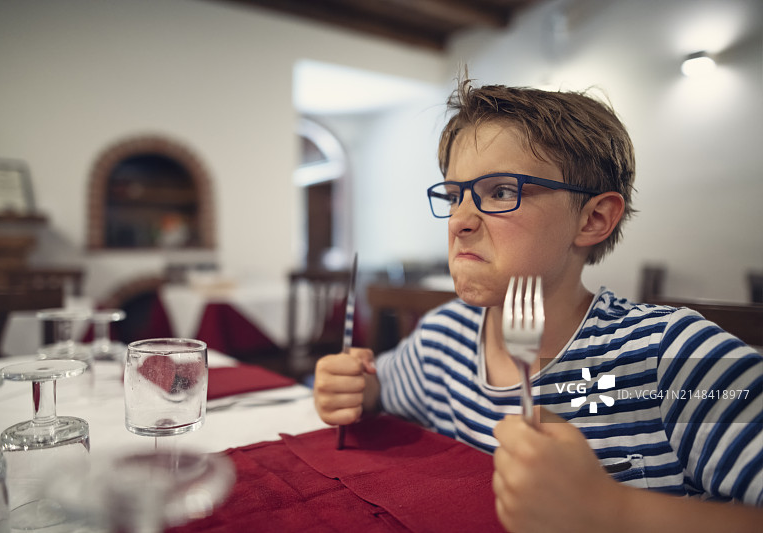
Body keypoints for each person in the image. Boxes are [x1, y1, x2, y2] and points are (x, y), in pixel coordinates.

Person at [312, 78, 763, 532]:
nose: (460, 220)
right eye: (452, 196)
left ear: (593, 219)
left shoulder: (671, 355)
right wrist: (356, 386)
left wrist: (615, 512)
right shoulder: (443, 338)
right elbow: (378, 389)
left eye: (501, 192)